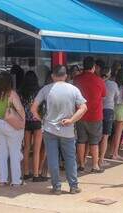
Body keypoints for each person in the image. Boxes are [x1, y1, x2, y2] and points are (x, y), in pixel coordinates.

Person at [31, 65, 87, 195]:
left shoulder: (46, 89)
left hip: (50, 129)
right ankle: (73, 186)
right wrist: (71, 120)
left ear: (52, 76)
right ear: (66, 76)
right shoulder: (73, 89)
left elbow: (33, 108)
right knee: (70, 158)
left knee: (52, 158)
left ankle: (56, 187)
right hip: (67, 130)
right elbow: (83, 108)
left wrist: (41, 119)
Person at [0, 72, 26, 186]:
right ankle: (16, 181)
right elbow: (20, 109)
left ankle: (2, 180)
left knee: (1, 152)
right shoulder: (11, 94)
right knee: (15, 152)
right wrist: (23, 122)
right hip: (10, 124)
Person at [74, 56, 106, 173]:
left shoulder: (77, 79)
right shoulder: (99, 80)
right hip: (95, 115)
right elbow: (103, 95)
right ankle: (95, 166)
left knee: (81, 140)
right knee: (94, 141)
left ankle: (81, 165)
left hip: (80, 114)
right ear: (93, 67)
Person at [21, 71, 47, 182]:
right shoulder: (39, 91)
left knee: (26, 148)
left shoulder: (21, 92)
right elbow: (43, 107)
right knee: (36, 149)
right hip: (37, 121)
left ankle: (26, 172)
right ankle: (36, 174)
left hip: (26, 122)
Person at [99, 67, 119, 167]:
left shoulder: (98, 82)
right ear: (109, 74)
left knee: (95, 136)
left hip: (98, 110)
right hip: (108, 110)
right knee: (105, 136)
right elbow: (117, 98)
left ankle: (87, 157)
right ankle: (101, 160)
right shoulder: (113, 84)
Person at [110, 69, 123, 160]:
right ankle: (115, 153)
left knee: (114, 133)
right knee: (118, 133)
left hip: (114, 107)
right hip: (121, 108)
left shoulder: (115, 84)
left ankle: (112, 151)